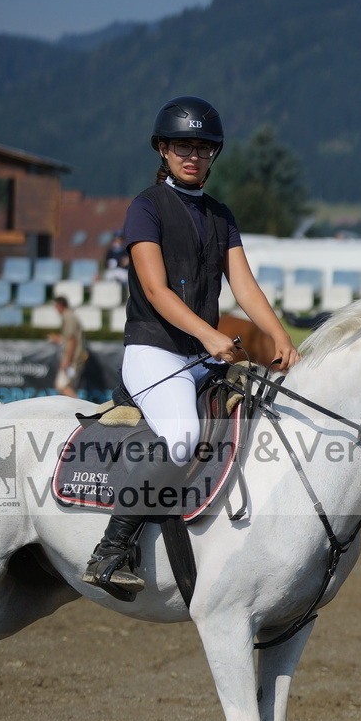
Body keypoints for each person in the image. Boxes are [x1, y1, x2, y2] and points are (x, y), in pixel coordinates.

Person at [82, 95, 299, 598]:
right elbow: (156, 291)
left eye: (203, 147)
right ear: (162, 149)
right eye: (182, 145)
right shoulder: (145, 208)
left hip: (202, 358)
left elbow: (244, 289)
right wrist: (208, 334)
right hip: (155, 352)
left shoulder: (221, 216)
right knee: (181, 437)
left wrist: (282, 337)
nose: (193, 155)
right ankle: (111, 551)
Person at [50, 296, 86, 397]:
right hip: (74, 358)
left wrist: (66, 360)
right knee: (68, 386)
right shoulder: (70, 316)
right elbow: (70, 338)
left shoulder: (69, 317)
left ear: (60, 306)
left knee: (62, 386)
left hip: (73, 359)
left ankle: (80, 409)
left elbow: (72, 340)